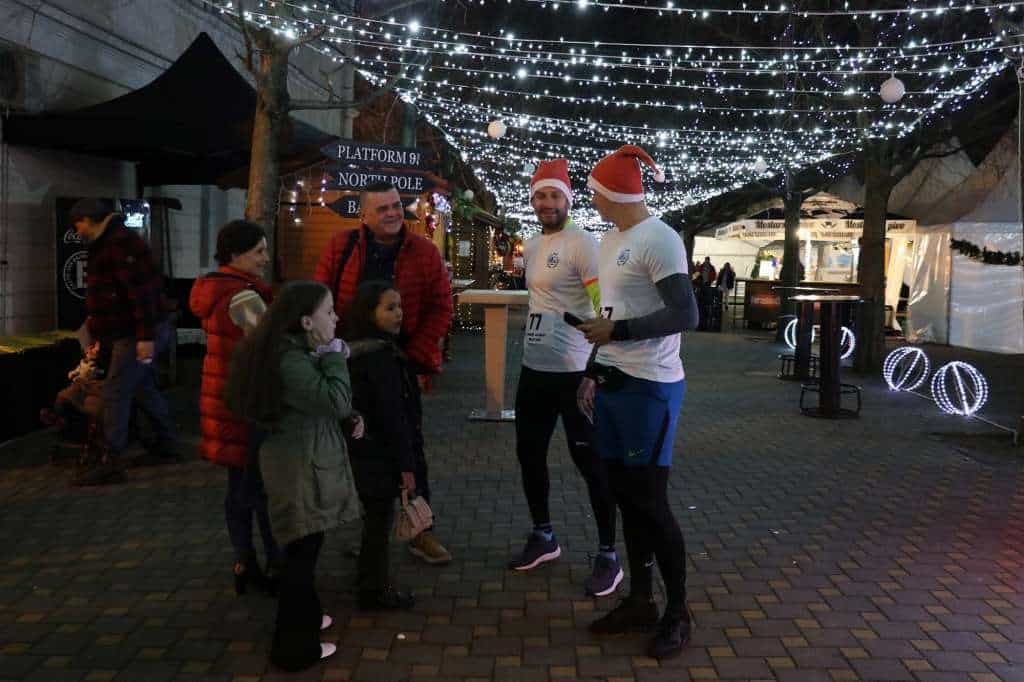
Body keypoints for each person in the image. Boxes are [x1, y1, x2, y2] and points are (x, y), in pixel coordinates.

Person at [576, 145, 699, 660]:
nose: (593, 202)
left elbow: (687, 313)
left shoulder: (660, 238)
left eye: (596, 193)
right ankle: (641, 601)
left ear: (614, 193)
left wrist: (618, 331)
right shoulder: (611, 238)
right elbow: (609, 309)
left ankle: (678, 611)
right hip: (613, 381)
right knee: (626, 498)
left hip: (651, 386)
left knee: (651, 502)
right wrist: (590, 370)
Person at [224, 281, 361, 672]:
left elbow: (323, 405)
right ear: (305, 320)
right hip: (297, 471)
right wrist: (334, 357)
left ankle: (308, 617)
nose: (336, 318)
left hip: (301, 464)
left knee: (304, 550)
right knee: (300, 555)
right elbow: (334, 399)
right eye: (329, 311)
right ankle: (294, 647)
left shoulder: (292, 353)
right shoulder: (290, 360)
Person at [315, 180, 453, 565]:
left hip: (400, 366)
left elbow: (442, 308)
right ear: (364, 214)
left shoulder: (424, 252)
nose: (393, 213)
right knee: (362, 453)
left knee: (409, 449)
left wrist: (414, 355)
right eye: (383, 208)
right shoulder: (341, 248)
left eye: (396, 206)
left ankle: (421, 530)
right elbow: (318, 298)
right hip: (349, 368)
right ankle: (373, 532)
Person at [508, 159, 621, 597]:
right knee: (529, 455)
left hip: (575, 375)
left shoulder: (582, 244)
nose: (546, 203)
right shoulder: (533, 244)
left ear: (568, 200)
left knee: (590, 464)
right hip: (534, 370)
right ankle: (544, 536)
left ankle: (609, 555)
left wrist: (595, 369)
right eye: (539, 195)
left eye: (554, 195)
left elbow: (603, 308)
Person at [189, 220, 279, 596]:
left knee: (239, 487)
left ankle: (244, 561)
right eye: (258, 251)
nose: (265, 258)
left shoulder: (217, 289)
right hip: (246, 406)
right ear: (234, 255)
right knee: (261, 491)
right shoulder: (242, 297)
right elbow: (269, 348)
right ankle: (274, 564)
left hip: (225, 402)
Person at [69, 198, 177, 486]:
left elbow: (140, 294)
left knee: (116, 391)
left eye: (77, 223)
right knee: (142, 388)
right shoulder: (114, 242)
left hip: (134, 335)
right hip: (131, 333)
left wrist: (144, 337)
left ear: (90, 218)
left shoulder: (118, 244)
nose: (77, 230)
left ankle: (110, 460)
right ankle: (166, 445)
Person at [342, 281, 420, 611]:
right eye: (389, 308)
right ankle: (373, 589)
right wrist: (407, 464)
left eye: (399, 306)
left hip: (362, 450)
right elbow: (393, 415)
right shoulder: (379, 356)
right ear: (368, 312)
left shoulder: (353, 349)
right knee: (378, 522)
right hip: (378, 454)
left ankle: (369, 582)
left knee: (374, 520)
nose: (398, 313)